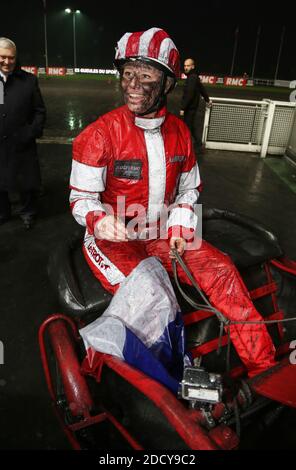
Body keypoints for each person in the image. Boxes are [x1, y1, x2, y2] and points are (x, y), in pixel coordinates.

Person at [69, 27, 276, 391]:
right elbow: (80, 199)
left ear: (166, 83)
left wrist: (181, 227)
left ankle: (265, 369)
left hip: (163, 233)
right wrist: (100, 219)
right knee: (154, 297)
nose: (132, 84)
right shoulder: (98, 134)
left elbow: (189, 189)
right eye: (128, 73)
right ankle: (167, 388)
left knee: (223, 270)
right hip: (112, 242)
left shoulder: (181, 132)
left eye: (145, 75)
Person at [0, 37, 46, 229]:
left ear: (16, 58)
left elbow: (40, 112)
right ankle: (3, 212)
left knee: (27, 181)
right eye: (2, 57)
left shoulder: (28, 81)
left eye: (11, 57)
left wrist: (30, 133)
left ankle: (28, 212)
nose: (7, 62)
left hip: (22, 142)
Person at [180, 58, 211, 153]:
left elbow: (189, 94)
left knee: (186, 128)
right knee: (190, 126)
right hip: (192, 107)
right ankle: (198, 144)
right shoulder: (194, 77)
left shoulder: (192, 78)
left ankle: (189, 147)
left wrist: (183, 107)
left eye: (188, 66)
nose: (185, 67)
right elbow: (202, 89)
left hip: (190, 107)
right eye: (185, 66)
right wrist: (207, 99)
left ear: (193, 66)